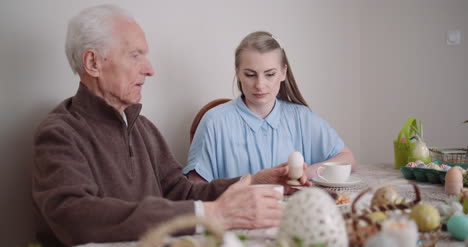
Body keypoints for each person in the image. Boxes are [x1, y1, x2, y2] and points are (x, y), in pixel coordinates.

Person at [31, 6, 311, 247]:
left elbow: (183, 193)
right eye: (135, 55)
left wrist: (253, 181)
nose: (150, 69)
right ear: (93, 62)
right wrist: (209, 215)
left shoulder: (143, 128)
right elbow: (75, 218)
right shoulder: (59, 133)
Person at [184, 31, 356, 183]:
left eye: (270, 74)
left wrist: (306, 173)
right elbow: (195, 187)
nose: (260, 85)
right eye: (250, 75)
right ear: (237, 73)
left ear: (283, 72)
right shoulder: (214, 122)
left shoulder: (301, 117)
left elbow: (348, 159)